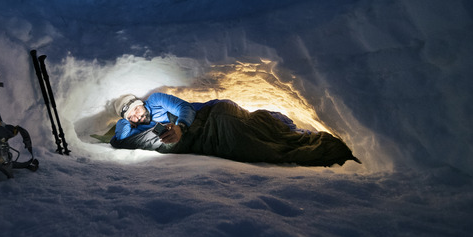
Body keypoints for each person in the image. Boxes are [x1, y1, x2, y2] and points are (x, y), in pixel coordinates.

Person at [110, 93, 360, 167]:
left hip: (215, 116)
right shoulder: (133, 129)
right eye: (128, 114)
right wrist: (125, 122)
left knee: (251, 138)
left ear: (141, 102)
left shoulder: (155, 101)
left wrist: (181, 128)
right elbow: (120, 140)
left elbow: (185, 108)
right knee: (245, 149)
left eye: (133, 106)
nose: (133, 112)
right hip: (205, 139)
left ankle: (320, 144)